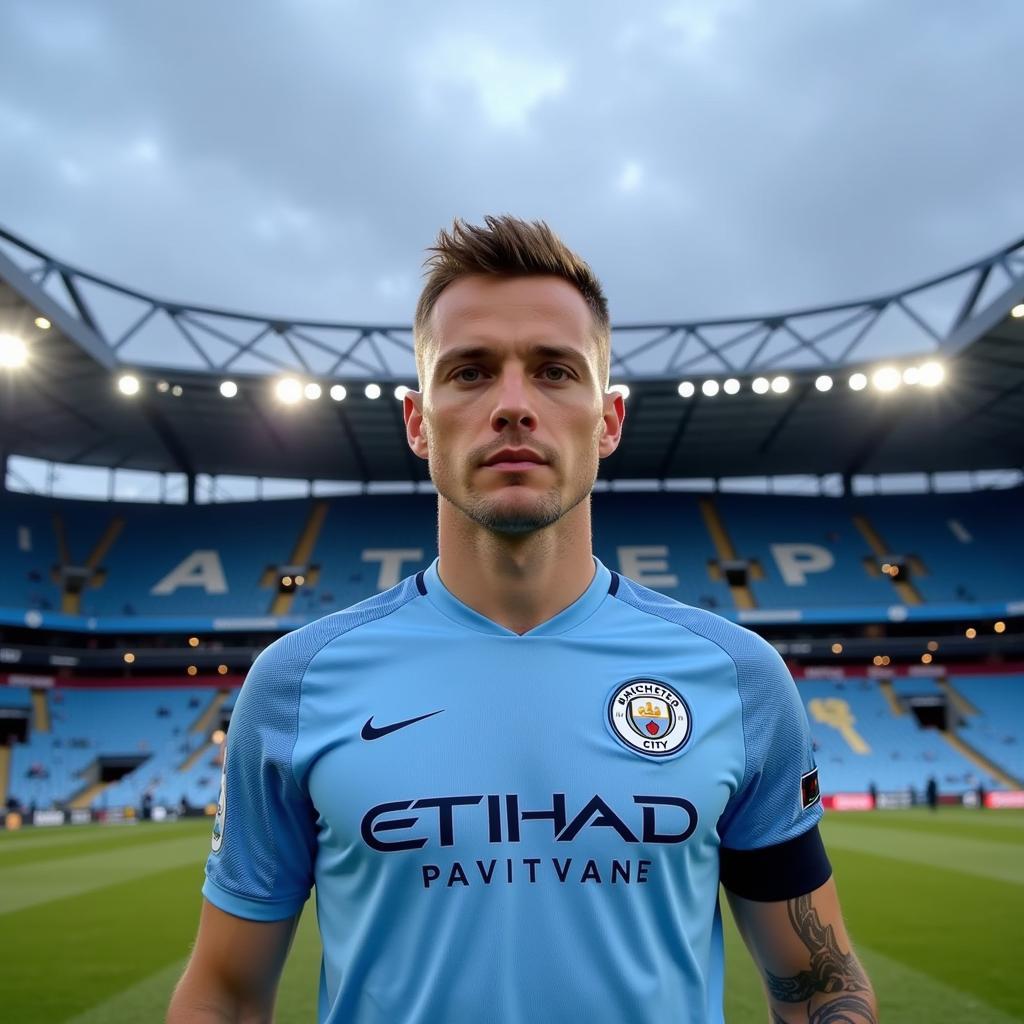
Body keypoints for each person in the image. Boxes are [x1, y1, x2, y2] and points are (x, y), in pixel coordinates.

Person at [167, 216, 876, 1024]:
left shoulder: (738, 678)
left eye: (554, 371)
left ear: (608, 420)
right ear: (416, 421)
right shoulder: (295, 684)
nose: (512, 406)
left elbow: (822, 986)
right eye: (469, 372)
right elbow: (222, 997)